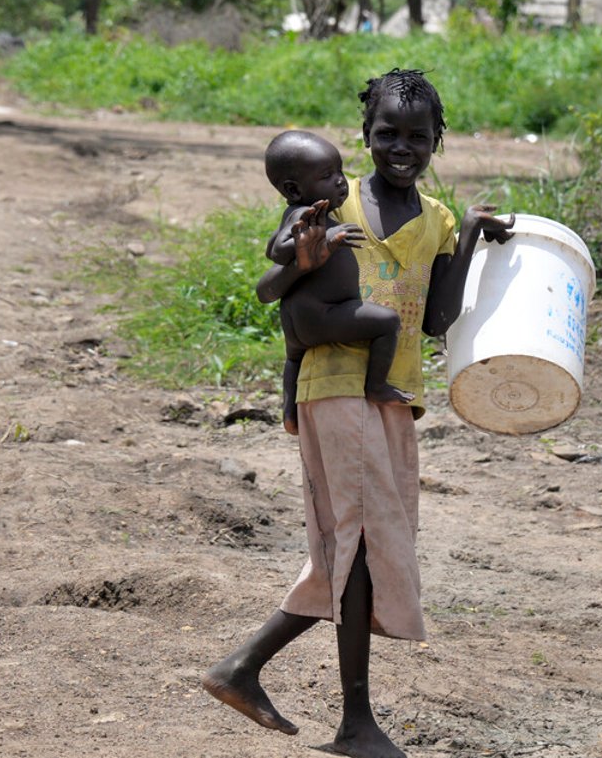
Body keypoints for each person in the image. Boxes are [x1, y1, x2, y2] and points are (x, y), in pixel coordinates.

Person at [204, 69, 514, 758]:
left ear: (438, 139)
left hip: (392, 393)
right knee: (360, 545)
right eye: (385, 134)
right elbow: (276, 286)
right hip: (336, 385)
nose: (400, 147)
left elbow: (435, 319)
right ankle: (353, 721)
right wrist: (296, 263)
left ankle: (244, 666)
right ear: (365, 135)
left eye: (416, 136)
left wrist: (465, 239)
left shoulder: (434, 219)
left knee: (358, 545)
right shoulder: (330, 199)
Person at [263, 130, 411, 436]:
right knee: (387, 321)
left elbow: (270, 246)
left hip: (297, 317)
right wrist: (326, 237)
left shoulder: (306, 213)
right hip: (322, 313)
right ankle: (376, 386)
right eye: (327, 175)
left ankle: (290, 414)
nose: (341, 181)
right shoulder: (304, 214)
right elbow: (278, 250)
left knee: (294, 359)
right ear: (293, 189)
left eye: (340, 171)